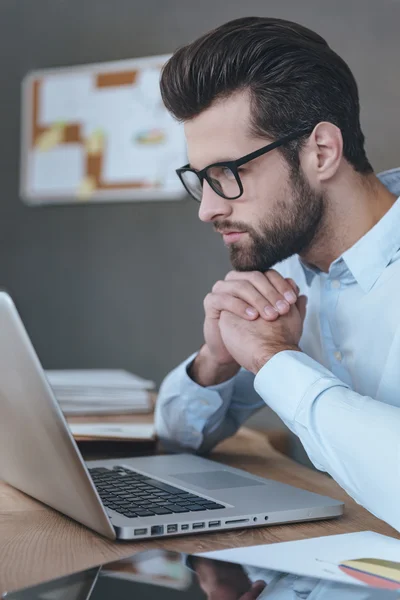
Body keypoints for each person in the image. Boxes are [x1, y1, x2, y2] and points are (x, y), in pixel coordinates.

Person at [154, 16, 400, 531]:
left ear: (321, 152)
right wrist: (214, 363)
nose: (207, 211)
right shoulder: (286, 270)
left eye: (229, 174)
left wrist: (274, 360)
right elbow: (175, 437)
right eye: (202, 180)